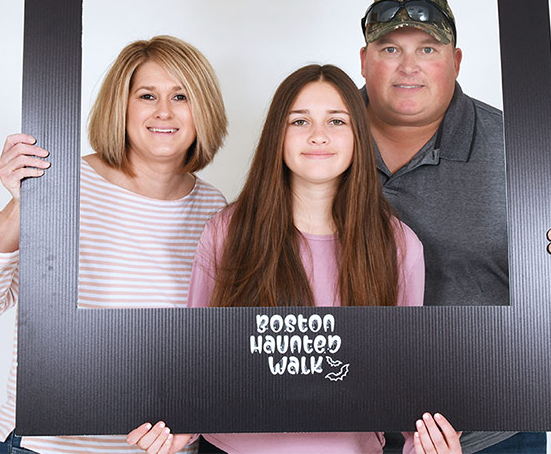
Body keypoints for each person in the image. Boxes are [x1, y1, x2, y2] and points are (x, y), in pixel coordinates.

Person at [127, 65, 461, 454]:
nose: (318, 135)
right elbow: (200, 357)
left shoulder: (398, 244)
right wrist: (181, 423)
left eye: (337, 121)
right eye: (299, 121)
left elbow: (405, 375)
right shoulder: (226, 231)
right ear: (277, 136)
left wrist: (424, 446)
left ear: (359, 136)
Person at [357, 0, 551, 453]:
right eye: (389, 48)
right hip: (344, 427)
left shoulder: (513, 145)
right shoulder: (317, 132)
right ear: (364, 60)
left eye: (427, 48)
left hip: (492, 429)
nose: (408, 67)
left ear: (456, 61)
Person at [0, 35, 229, 454]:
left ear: (202, 109)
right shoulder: (61, 184)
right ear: (122, 106)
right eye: (147, 95)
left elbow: (208, 348)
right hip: (48, 446)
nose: (164, 112)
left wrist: (192, 423)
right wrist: (18, 206)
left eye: (181, 96)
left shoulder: (214, 207)